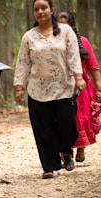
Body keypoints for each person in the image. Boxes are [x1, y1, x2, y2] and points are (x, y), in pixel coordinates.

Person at [13, 0, 86, 179]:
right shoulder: (28, 37)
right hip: (38, 89)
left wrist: (78, 77)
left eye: (44, 8)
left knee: (66, 123)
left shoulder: (65, 31)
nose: (40, 12)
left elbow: (73, 55)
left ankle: (65, 149)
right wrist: (19, 86)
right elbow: (23, 61)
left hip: (64, 87)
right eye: (36, 9)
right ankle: (49, 166)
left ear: (51, 10)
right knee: (43, 129)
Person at [57, 11, 101, 162]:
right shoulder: (52, 43)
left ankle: (81, 148)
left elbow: (93, 66)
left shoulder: (83, 42)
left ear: (73, 26)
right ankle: (65, 151)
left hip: (81, 87)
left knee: (81, 118)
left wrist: (99, 87)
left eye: (66, 25)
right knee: (62, 119)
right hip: (60, 86)